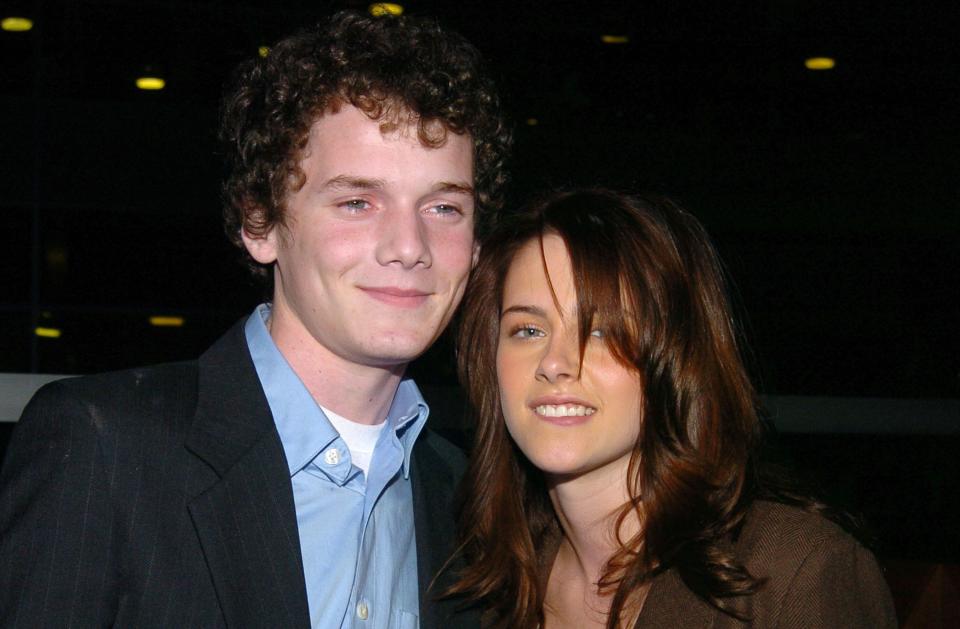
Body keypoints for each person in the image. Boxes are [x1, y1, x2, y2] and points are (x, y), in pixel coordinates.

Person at [0, 10, 509, 628]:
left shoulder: (467, 499)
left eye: (444, 207)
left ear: (478, 242)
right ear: (261, 224)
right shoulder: (105, 448)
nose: (409, 245)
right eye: (356, 201)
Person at [449, 189, 897, 628]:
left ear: (675, 358)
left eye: (602, 330)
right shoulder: (482, 588)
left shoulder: (794, 571)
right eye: (527, 330)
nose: (554, 364)